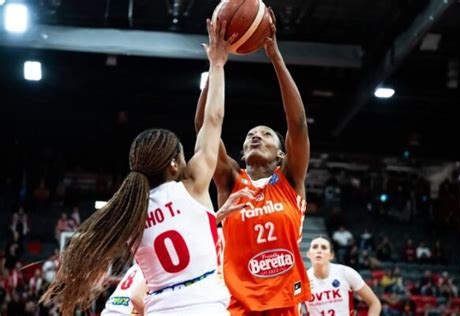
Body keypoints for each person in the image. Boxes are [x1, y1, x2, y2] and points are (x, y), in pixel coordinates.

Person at [40, 19, 244, 315]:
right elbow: (213, 120)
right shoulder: (192, 185)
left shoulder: (129, 211)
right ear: (174, 164)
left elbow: (175, 230)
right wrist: (218, 64)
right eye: (183, 155)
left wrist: (213, 218)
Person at [195, 8, 311, 315]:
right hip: (236, 305)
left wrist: (276, 57)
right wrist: (215, 66)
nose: (256, 137)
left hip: (285, 303)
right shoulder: (231, 180)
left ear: (282, 154)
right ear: (243, 152)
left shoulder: (291, 179)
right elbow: (204, 129)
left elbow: (297, 124)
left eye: (266, 135)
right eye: (250, 136)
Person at [304, 236, 381, 316]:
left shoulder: (346, 272)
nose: (319, 251)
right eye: (315, 247)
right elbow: (291, 306)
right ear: (309, 254)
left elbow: (374, 303)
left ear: (331, 255)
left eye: (324, 248)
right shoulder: (301, 281)